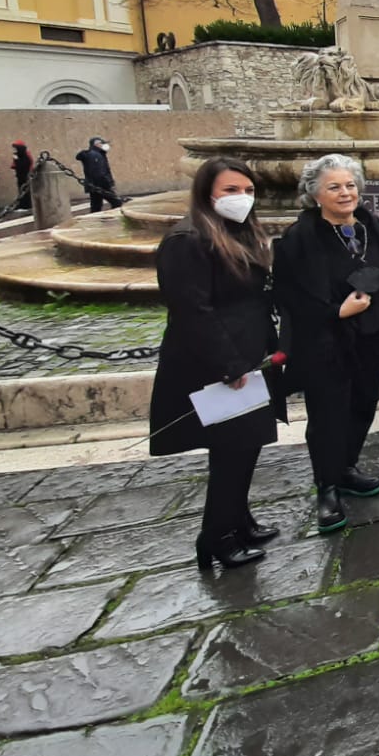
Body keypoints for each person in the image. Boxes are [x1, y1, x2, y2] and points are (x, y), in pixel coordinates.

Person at [149, 157, 283, 572]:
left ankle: (238, 520)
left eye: (247, 190)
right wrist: (229, 364)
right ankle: (215, 537)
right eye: (230, 190)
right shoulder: (187, 241)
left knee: (248, 446)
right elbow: (193, 311)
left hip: (248, 355)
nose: (241, 198)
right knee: (230, 450)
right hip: (218, 365)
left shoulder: (237, 232)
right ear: (207, 193)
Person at [272, 154, 379, 533]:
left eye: (349, 185)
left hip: (370, 335)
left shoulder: (370, 225)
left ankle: (346, 467)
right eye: (334, 187)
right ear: (314, 194)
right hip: (326, 341)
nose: (345, 193)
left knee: (363, 403)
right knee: (328, 414)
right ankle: (326, 486)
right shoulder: (301, 237)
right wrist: (336, 311)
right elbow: (291, 295)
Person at [76, 136, 117, 212]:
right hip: (100, 185)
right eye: (102, 143)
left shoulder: (98, 154)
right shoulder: (95, 155)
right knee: (117, 203)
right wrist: (109, 184)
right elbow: (101, 172)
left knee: (96, 207)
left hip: (94, 185)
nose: (104, 145)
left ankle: (95, 222)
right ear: (97, 144)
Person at [10, 141, 32, 209]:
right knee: (21, 189)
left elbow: (24, 165)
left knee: (24, 189)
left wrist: (17, 160)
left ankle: (25, 204)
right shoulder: (20, 155)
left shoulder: (25, 155)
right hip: (20, 175)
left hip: (24, 175)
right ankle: (22, 203)